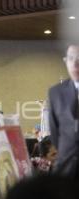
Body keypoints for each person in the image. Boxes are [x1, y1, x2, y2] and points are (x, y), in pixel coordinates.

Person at [48, 45, 79, 179]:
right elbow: (55, 132)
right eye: (71, 58)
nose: (75, 63)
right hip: (67, 168)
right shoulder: (56, 92)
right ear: (65, 61)